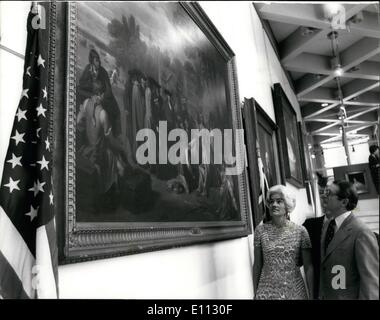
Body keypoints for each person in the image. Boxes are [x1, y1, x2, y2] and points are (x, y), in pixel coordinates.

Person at [319, 180, 379, 300]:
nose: (323, 196)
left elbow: (370, 281)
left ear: (344, 201)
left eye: (329, 193)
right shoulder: (328, 226)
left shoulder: (361, 232)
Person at [253, 185, 314, 300]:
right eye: (271, 202)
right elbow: (257, 265)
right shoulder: (260, 230)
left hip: (294, 290)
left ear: (287, 205)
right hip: (266, 291)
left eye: (279, 201)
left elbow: (308, 266)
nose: (274, 204)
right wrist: (255, 292)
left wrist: (311, 296)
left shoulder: (300, 231)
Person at [302, 172, 328, 299]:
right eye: (321, 193)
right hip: (318, 290)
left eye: (328, 193)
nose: (323, 196)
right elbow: (305, 263)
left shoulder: (358, 231)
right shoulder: (309, 226)